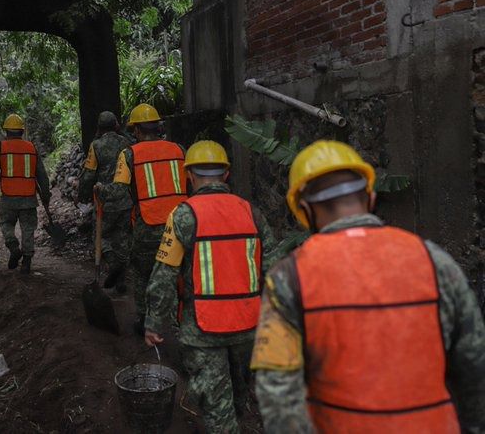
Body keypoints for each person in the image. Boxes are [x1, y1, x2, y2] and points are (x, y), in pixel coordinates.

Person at [251, 140, 485, 433]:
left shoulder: (289, 276)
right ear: (370, 198)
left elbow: (278, 395)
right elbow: (474, 363)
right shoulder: (434, 261)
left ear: (304, 210)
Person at [144, 140, 275, 434]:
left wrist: (154, 322)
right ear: (226, 175)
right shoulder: (251, 213)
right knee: (240, 388)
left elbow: (164, 275)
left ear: (189, 175)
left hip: (203, 329)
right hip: (248, 325)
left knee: (216, 405)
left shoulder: (183, 216)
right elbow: (274, 268)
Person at [99, 103, 188, 335]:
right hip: (181, 224)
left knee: (142, 272)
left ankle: (144, 320)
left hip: (148, 225)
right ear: (158, 127)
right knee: (179, 272)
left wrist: (100, 189)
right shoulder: (179, 149)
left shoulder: (129, 154)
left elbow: (118, 192)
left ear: (137, 130)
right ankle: (180, 323)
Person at [0, 113, 51, 275]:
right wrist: (46, 194)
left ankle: (13, 247)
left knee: (6, 224)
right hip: (28, 198)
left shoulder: (0, 148)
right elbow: (42, 175)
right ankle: (27, 262)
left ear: (6, 131)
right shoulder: (31, 148)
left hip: (8, 198)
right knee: (28, 229)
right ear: (22, 131)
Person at [77, 111, 132, 292]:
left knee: (101, 236)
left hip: (104, 201)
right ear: (116, 125)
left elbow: (89, 175)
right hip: (125, 199)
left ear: (99, 128)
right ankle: (122, 280)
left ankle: (112, 263)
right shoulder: (127, 144)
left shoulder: (96, 145)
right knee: (122, 238)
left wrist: (82, 194)